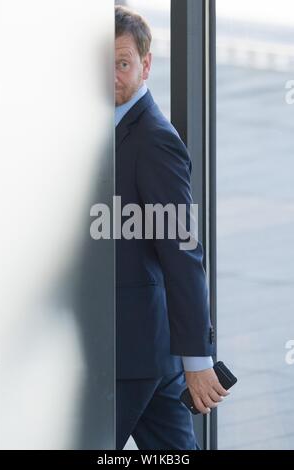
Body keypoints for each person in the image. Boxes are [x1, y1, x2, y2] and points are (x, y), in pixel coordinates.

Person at [115, 5, 229, 450]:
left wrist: (198, 359)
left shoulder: (154, 140)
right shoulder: (109, 126)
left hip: (136, 349)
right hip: (148, 350)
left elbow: (183, 251)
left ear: (146, 65)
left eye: (123, 63)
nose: (112, 76)